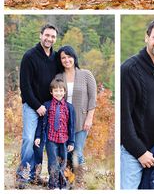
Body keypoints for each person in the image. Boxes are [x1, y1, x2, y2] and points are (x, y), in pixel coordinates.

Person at [120, 18, 154, 189]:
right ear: (147, 38)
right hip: (133, 152)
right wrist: (140, 152)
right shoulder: (129, 69)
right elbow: (124, 116)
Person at [16, 24, 59, 188]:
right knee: (28, 139)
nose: (49, 39)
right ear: (40, 35)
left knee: (39, 142)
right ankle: (23, 176)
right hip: (31, 105)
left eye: (53, 37)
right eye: (47, 35)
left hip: (48, 107)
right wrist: (37, 106)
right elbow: (25, 87)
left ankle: (35, 175)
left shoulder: (55, 58)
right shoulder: (30, 56)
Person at [57, 45, 97, 173]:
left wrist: (89, 118)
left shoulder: (86, 74)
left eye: (69, 57)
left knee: (77, 151)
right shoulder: (58, 76)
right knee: (65, 153)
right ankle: (67, 179)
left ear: (74, 57)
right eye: (63, 57)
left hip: (81, 120)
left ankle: (79, 179)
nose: (66, 60)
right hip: (63, 121)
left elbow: (92, 98)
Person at [34, 77, 76, 190]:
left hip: (64, 139)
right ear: (51, 92)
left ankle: (62, 184)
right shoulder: (46, 105)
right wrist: (38, 136)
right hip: (50, 138)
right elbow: (41, 122)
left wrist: (71, 141)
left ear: (65, 92)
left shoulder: (69, 107)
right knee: (53, 161)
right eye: (56, 91)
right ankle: (53, 185)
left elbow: (71, 125)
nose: (58, 93)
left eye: (61, 90)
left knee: (62, 161)